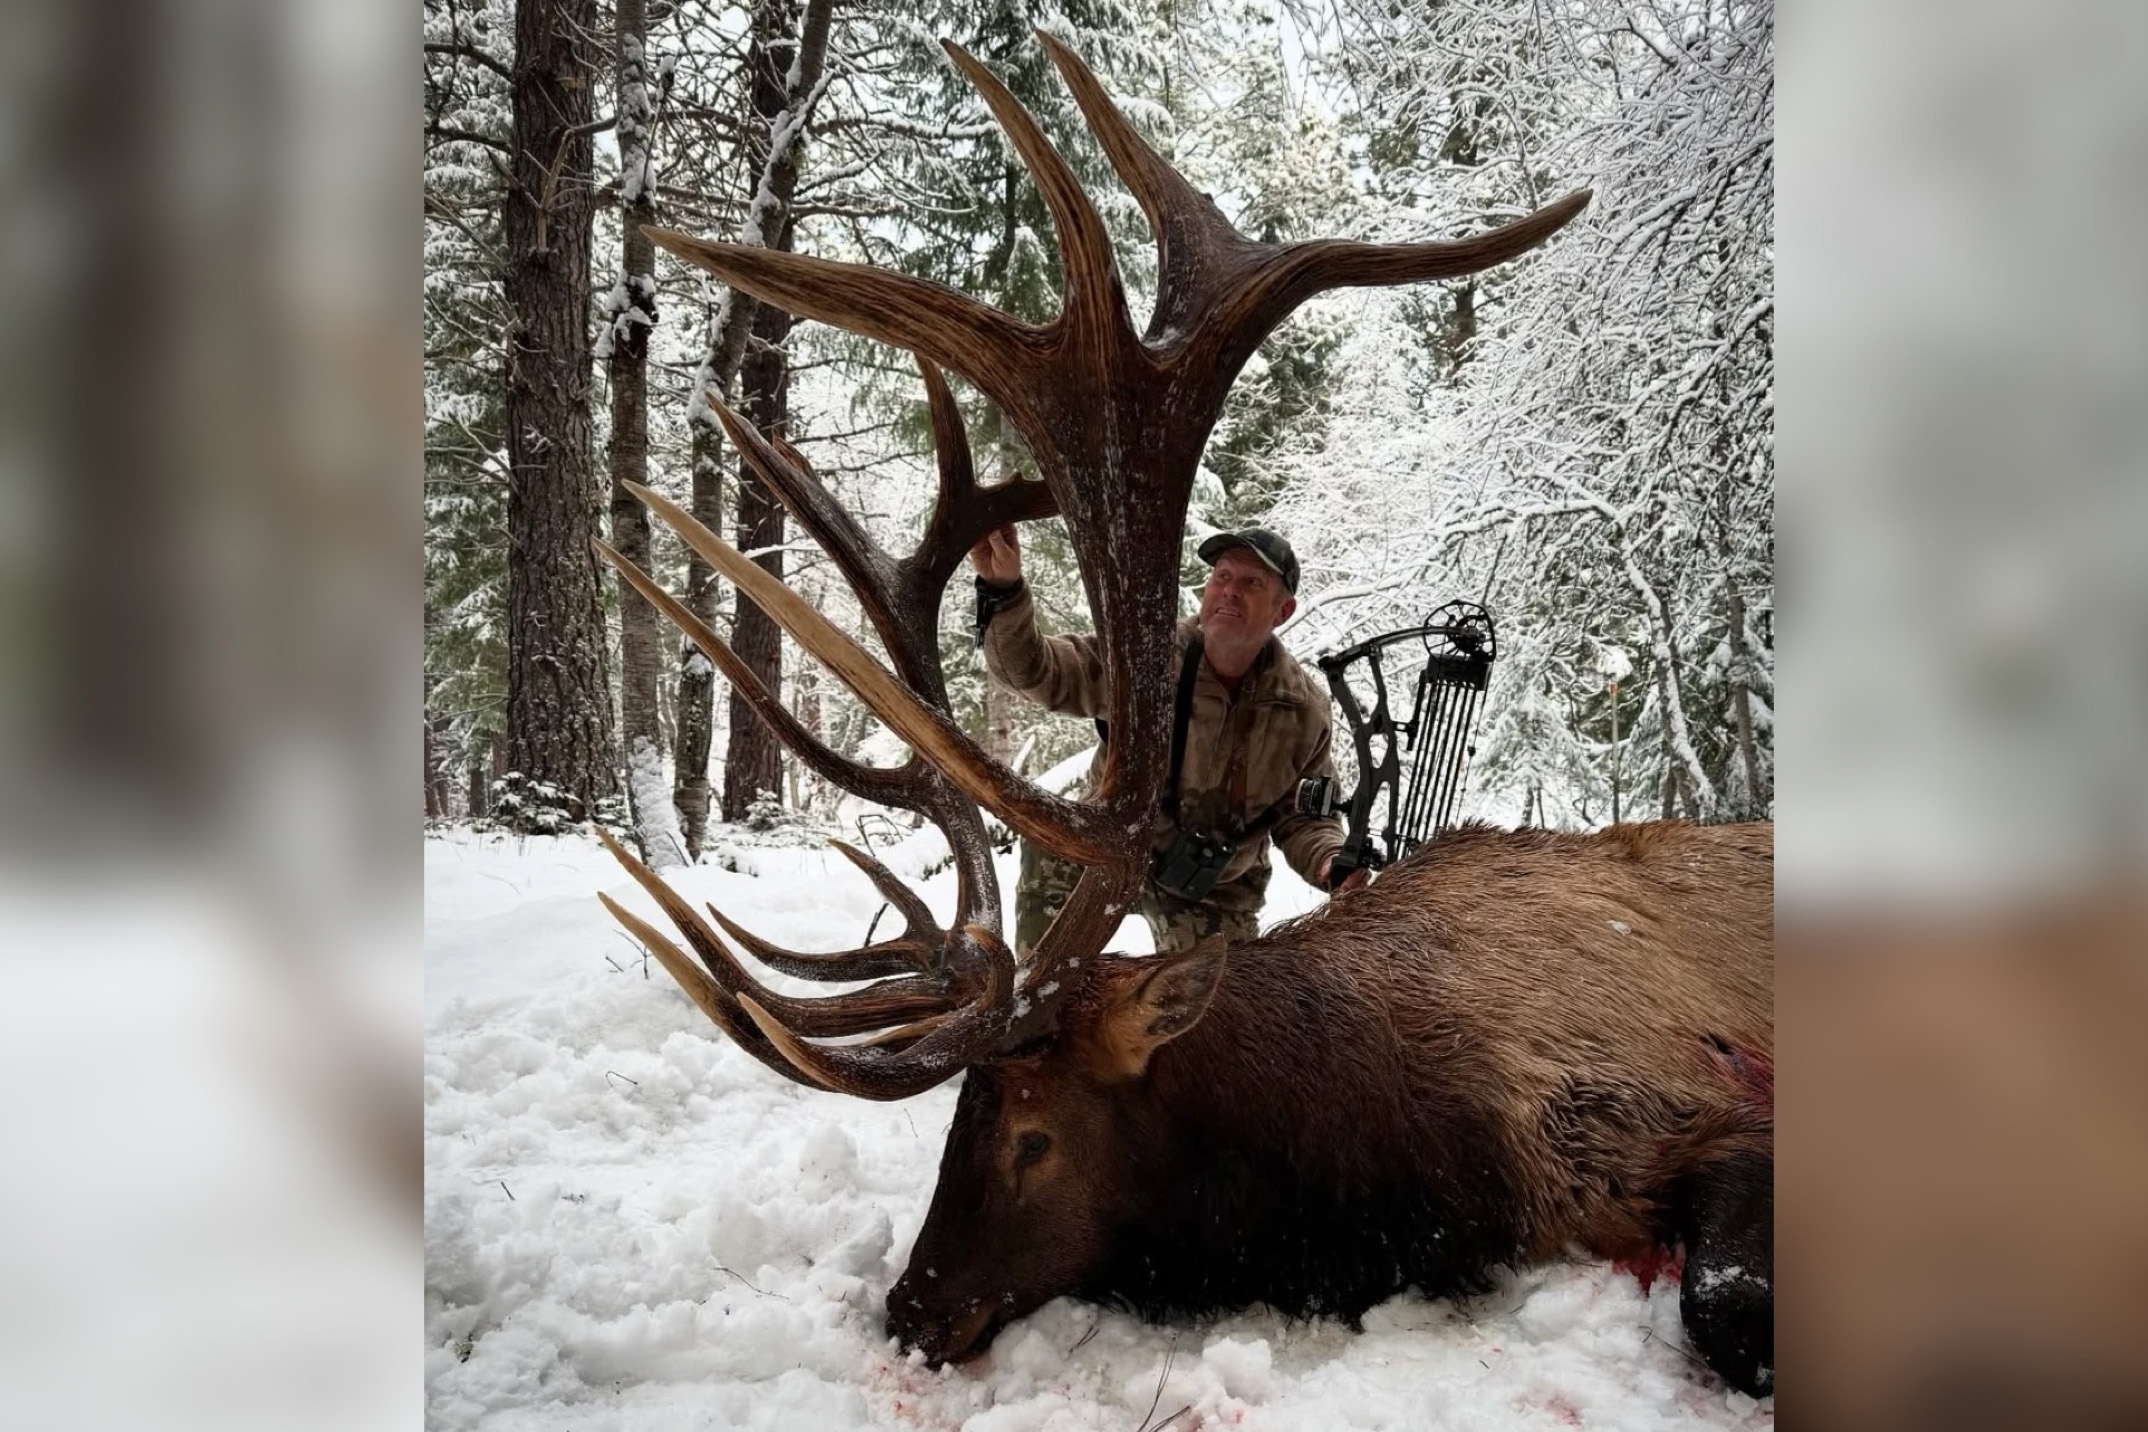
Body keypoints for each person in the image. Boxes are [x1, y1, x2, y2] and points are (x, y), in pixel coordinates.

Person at [971, 522, 1363, 957]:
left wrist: (1330, 860)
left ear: (1282, 611)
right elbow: (1033, 670)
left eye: (1252, 583)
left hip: (1214, 888)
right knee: (1051, 854)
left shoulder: (1303, 711)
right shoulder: (1143, 656)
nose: (1230, 591)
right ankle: (1043, 989)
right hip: (1110, 848)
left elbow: (1305, 817)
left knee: (1221, 998)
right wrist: (1004, 591)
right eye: (1222, 576)